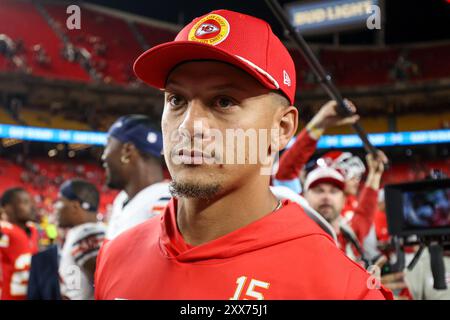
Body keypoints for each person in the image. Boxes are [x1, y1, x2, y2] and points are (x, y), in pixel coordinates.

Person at [95, 9, 392, 300]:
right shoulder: (115, 255)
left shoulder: (346, 291)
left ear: (282, 128)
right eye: (176, 99)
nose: (189, 125)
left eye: (223, 101)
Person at [303, 151, 386, 265]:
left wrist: (375, 175)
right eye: (319, 190)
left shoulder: (349, 235)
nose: (326, 197)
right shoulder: (295, 237)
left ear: (343, 199)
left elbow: (364, 213)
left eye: (333, 191)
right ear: (304, 196)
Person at [102, 115, 171, 240]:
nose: (103, 156)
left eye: (107, 145)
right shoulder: (122, 199)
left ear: (127, 151)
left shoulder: (166, 203)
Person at [55, 179, 106, 300]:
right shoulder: (84, 231)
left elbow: (105, 284)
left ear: (75, 206)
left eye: (60, 203)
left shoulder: (86, 234)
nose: (56, 208)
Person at [0, 188, 38, 300]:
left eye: (30, 202)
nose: (32, 207)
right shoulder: (4, 230)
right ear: (8, 208)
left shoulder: (32, 230)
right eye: (25, 202)